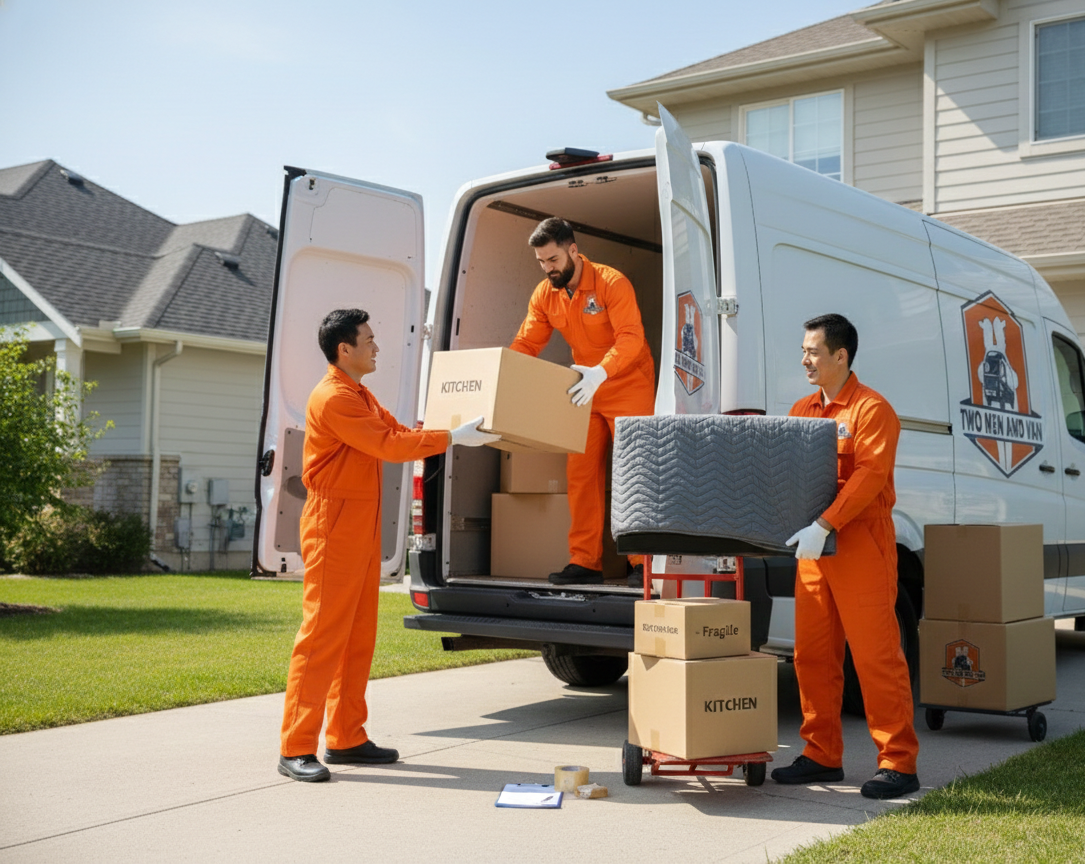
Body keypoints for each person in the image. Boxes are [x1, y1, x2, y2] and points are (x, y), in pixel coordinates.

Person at [278, 308, 499, 783]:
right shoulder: (335, 398)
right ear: (345, 349)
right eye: (370, 339)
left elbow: (399, 432)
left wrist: (452, 429)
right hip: (332, 526)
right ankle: (296, 746)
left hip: (357, 524)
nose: (377, 346)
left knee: (357, 637)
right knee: (321, 638)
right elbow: (390, 446)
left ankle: (346, 737)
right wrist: (451, 439)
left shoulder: (359, 394)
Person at [772, 313, 920, 800]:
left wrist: (825, 524)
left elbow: (869, 477)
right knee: (812, 655)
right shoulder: (802, 408)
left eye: (813, 351)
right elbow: (788, 475)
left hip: (859, 543)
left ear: (841, 355)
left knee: (876, 657)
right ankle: (820, 754)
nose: (804, 359)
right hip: (814, 549)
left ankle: (898, 762)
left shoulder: (872, 410)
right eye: (803, 350)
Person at [509, 217, 655, 586]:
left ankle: (642, 564)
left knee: (633, 475)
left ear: (573, 250)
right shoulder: (546, 293)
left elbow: (631, 338)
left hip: (627, 383)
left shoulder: (611, 282)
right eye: (541, 262)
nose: (548, 269)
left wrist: (600, 372)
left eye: (553, 259)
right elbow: (527, 344)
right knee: (581, 475)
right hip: (583, 391)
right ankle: (585, 562)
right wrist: (502, 375)